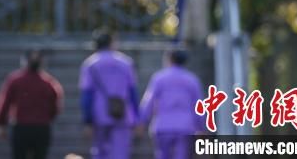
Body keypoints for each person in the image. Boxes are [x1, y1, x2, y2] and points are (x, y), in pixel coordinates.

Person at [79, 29, 139, 159]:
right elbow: (133, 92)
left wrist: (87, 120)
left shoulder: (90, 64)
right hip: (122, 113)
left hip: (99, 113)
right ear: (112, 43)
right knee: (121, 152)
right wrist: (136, 118)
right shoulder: (125, 62)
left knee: (100, 152)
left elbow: (87, 95)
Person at [0, 49, 64, 159]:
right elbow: (55, 107)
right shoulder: (49, 82)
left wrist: (0, 123)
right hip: (42, 128)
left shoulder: (15, 80)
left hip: (21, 128)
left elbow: (4, 103)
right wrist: (47, 118)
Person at [139, 49, 206, 159]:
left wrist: (142, 121)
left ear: (169, 59)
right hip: (185, 127)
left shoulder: (159, 78)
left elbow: (149, 101)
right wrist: (201, 127)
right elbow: (199, 107)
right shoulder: (192, 80)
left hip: (163, 125)